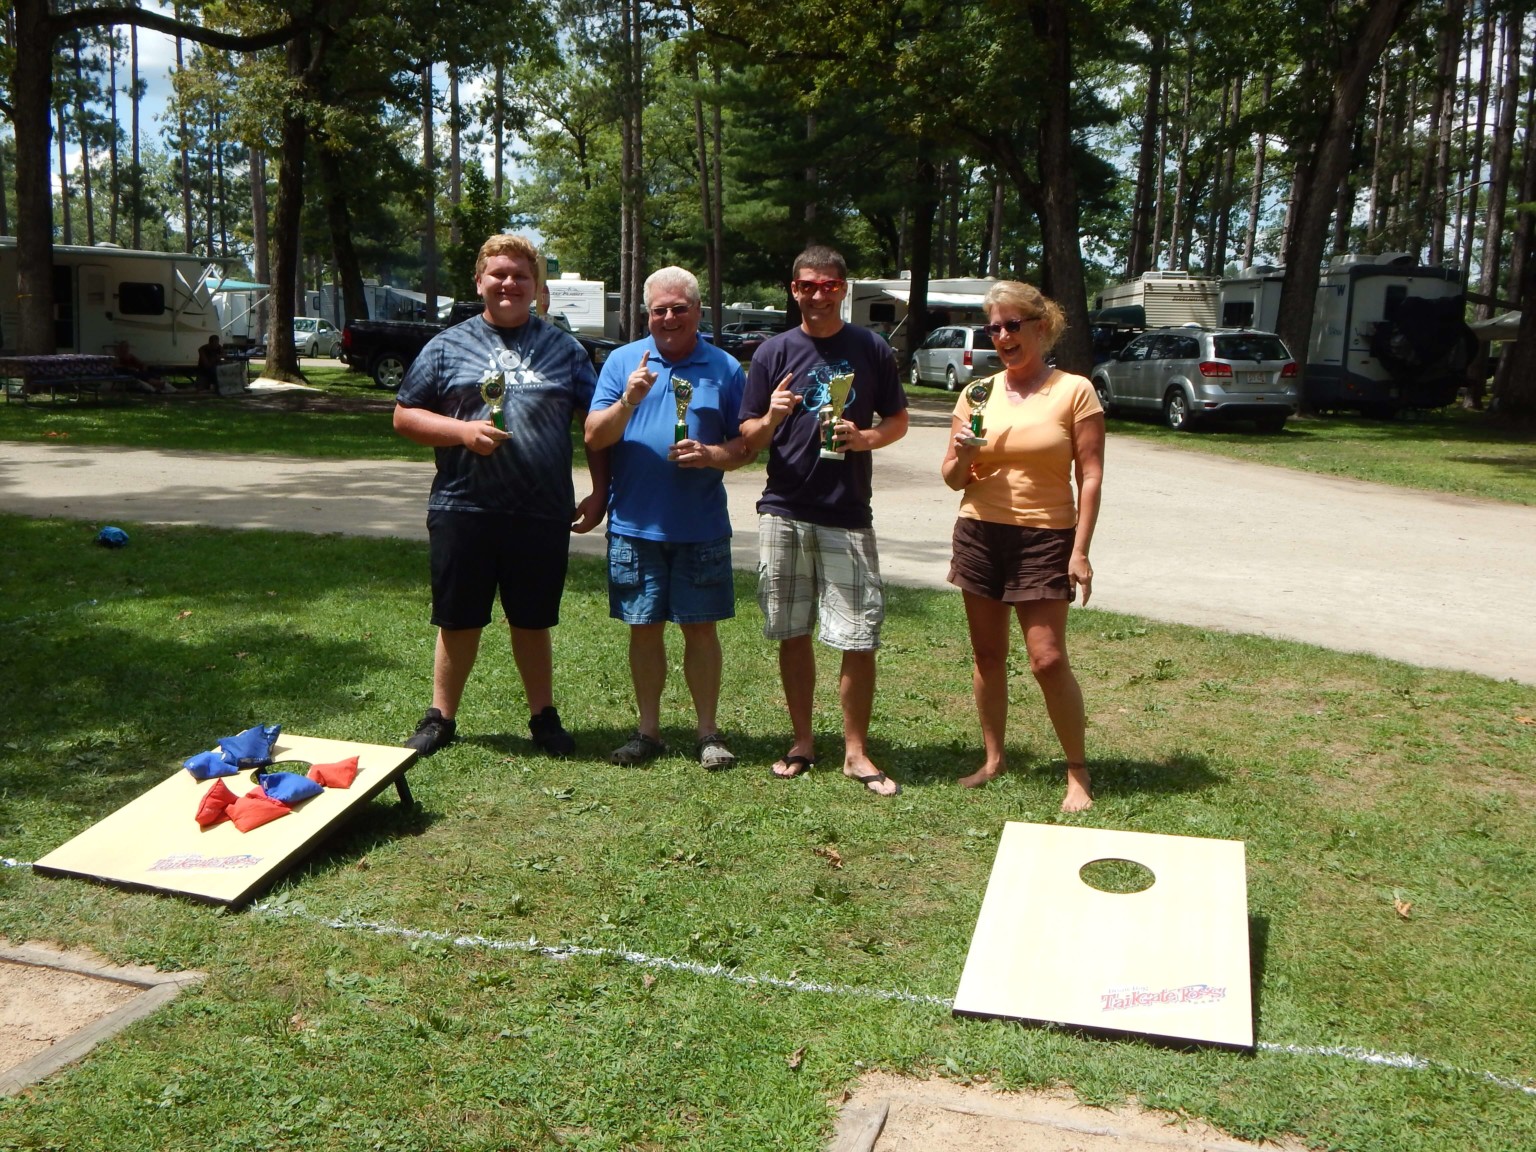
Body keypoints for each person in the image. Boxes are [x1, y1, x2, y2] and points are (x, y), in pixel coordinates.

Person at [393, 234, 608, 757]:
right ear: (480, 281)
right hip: (463, 504)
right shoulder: (447, 345)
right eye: (499, 274)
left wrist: (601, 490)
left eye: (521, 275)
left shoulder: (565, 348)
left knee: (532, 619)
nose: (509, 283)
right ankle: (440, 717)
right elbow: (404, 414)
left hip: (540, 508)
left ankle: (543, 717)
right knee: (458, 617)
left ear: (536, 286)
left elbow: (595, 425)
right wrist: (462, 432)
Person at [739, 245, 910, 797]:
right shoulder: (772, 352)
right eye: (807, 285)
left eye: (829, 286)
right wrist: (774, 415)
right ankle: (803, 741)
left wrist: (866, 439)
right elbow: (748, 436)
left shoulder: (871, 348)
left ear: (843, 289)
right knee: (793, 630)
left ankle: (856, 752)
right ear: (794, 290)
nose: (818, 294)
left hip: (846, 511)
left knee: (858, 635)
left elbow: (899, 418)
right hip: (784, 509)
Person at [939, 281, 1104, 812]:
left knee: (1047, 659)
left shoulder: (1073, 390)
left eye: (1013, 324)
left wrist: (1079, 550)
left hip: (1046, 536)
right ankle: (993, 758)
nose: (1003, 336)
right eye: (994, 327)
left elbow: (1092, 476)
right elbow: (951, 478)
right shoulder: (977, 394)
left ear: (1040, 325)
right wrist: (964, 457)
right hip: (980, 531)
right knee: (988, 655)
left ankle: (1077, 771)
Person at [585, 267, 752, 769]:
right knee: (644, 628)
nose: (669, 317)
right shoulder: (620, 362)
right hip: (635, 525)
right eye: (660, 309)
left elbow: (746, 446)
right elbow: (595, 435)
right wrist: (629, 399)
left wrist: (711, 455)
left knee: (701, 629)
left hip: (699, 525)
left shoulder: (724, 368)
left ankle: (708, 733)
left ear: (698, 312)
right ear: (647, 314)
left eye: (680, 308)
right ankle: (647, 731)